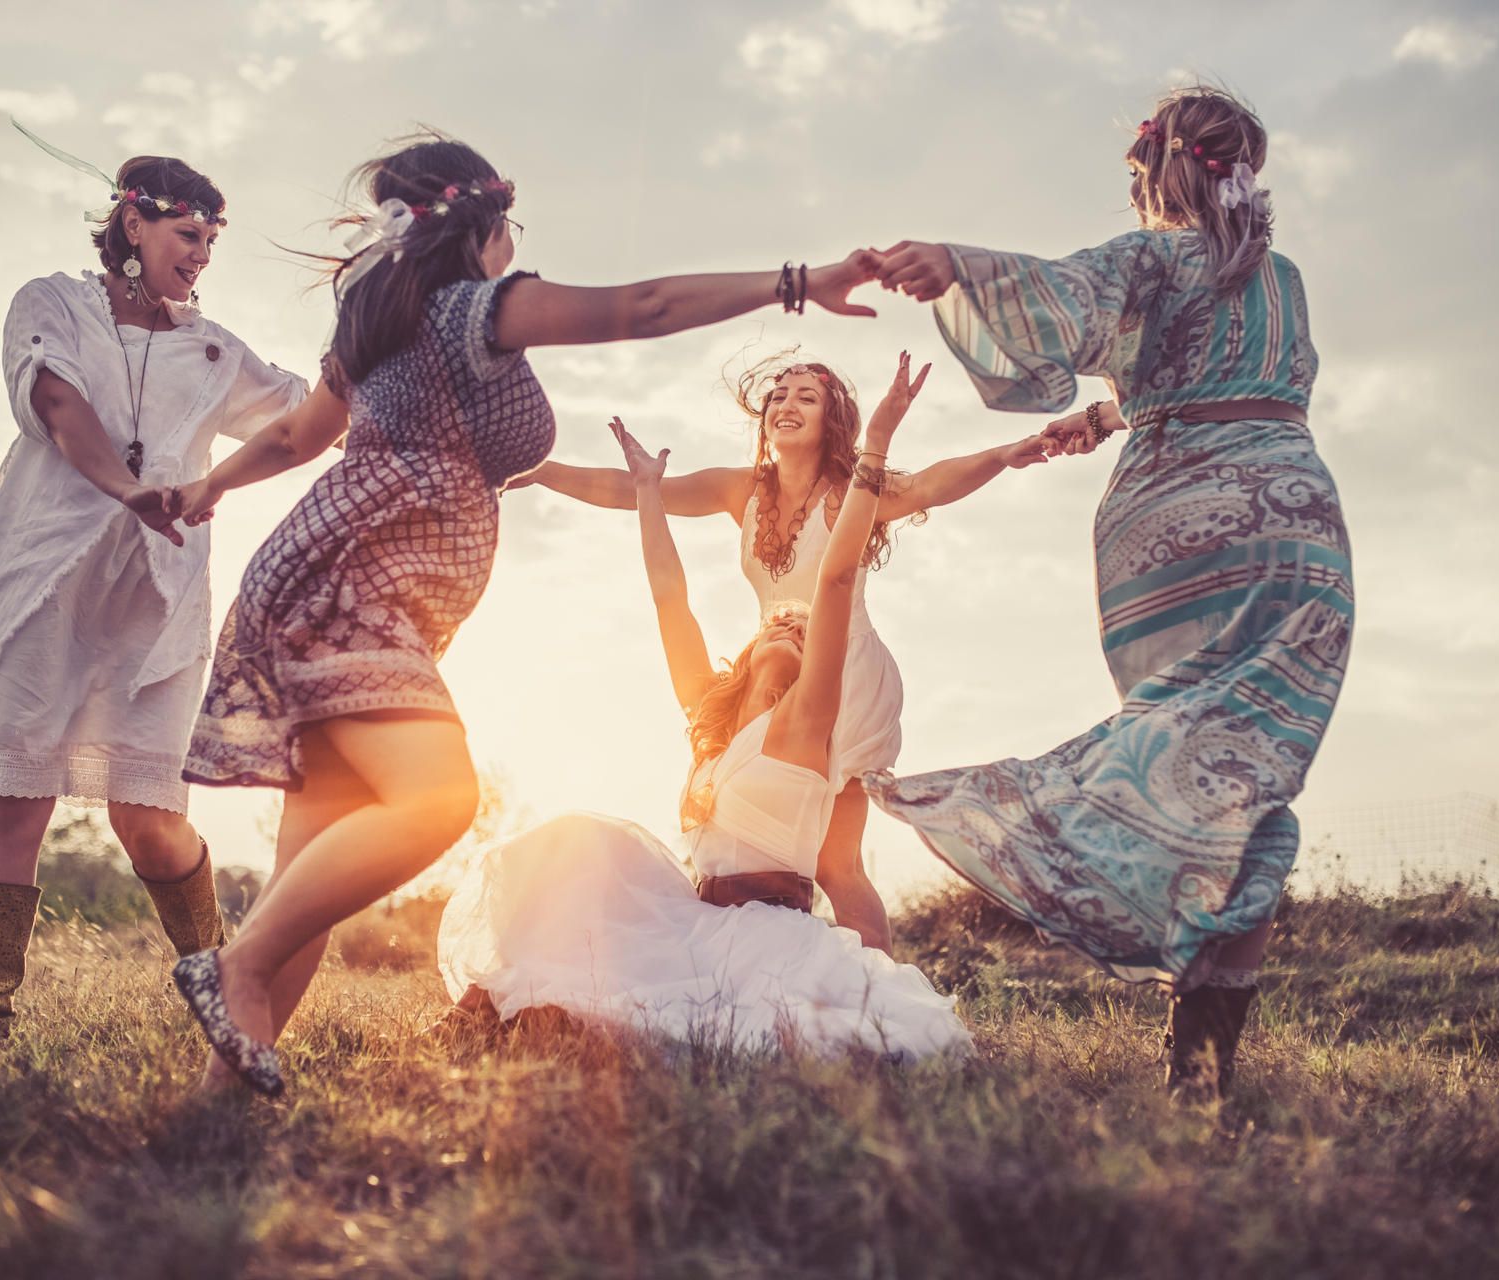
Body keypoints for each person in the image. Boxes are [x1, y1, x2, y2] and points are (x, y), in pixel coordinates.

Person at [165, 132, 883, 1096]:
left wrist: (206, 489)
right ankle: (235, 969)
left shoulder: (379, 324)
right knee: (439, 798)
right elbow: (646, 306)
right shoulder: (477, 308)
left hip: (330, 576)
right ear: (487, 226)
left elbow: (298, 437)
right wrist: (803, 280)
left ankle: (216, 1106)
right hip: (357, 585)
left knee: (313, 867)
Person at [868, 85, 1354, 1099]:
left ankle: (1034, 823)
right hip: (1296, 522)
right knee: (1253, 770)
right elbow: (1226, 371)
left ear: (1153, 175)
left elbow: (1062, 304)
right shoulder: (1287, 277)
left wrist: (956, 262)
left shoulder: (1150, 256)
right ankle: (1202, 1061)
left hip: (1176, 520)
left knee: (1174, 738)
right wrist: (1109, 412)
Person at [436, 357, 969, 1060]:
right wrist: (649, 492)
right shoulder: (708, 719)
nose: (788, 621)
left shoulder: (806, 726)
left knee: (739, 1023)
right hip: (696, 920)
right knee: (577, 843)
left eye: (803, 629)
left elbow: (837, 578)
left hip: (768, 938)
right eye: (777, 620)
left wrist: (878, 439)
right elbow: (668, 596)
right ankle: (487, 1009)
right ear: (746, 651)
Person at [0, 138, 307, 1036]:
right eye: (187, 231)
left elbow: (309, 414)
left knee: (150, 817)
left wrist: (391, 349)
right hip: (41, 578)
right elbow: (57, 406)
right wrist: (129, 488)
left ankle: (224, 986)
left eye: (212, 242)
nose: (201, 254)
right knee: (17, 800)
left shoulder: (214, 350)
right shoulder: (54, 304)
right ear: (133, 219)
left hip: (154, 603)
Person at [512, 354, 1052, 953]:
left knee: (834, 865)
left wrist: (1002, 455)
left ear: (832, 421)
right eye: (777, 396)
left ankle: (873, 990)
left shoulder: (853, 492)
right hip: (771, 664)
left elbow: (927, 485)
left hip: (843, 674)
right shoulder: (738, 488)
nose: (785, 405)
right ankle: (752, 936)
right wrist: (539, 470)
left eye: (805, 398)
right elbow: (638, 495)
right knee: (750, 822)